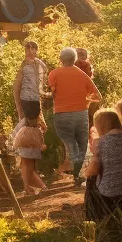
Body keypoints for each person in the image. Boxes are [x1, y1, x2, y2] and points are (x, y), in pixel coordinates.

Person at [49, 47, 101, 189]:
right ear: (74, 59)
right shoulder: (82, 74)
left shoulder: (54, 73)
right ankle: (77, 174)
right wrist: (85, 98)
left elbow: (52, 92)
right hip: (80, 113)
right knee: (81, 144)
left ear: (61, 60)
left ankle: (74, 170)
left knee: (70, 143)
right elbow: (98, 96)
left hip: (61, 113)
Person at [12, 40, 49, 122]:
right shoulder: (23, 65)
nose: (29, 51)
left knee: (37, 124)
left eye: (32, 48)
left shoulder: (39, 64)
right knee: (28, 122)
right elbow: (17, 86)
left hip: (35, 98)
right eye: (27, 48)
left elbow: (42, 78)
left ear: (36, 50)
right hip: (25, 98)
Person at [12, 111, 47, 194]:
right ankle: (37, 187)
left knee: (25, 165)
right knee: (29, 167)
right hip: (32, 141)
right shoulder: (37, 119)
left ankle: (29, 187)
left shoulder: (26, 120)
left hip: (27, 140)